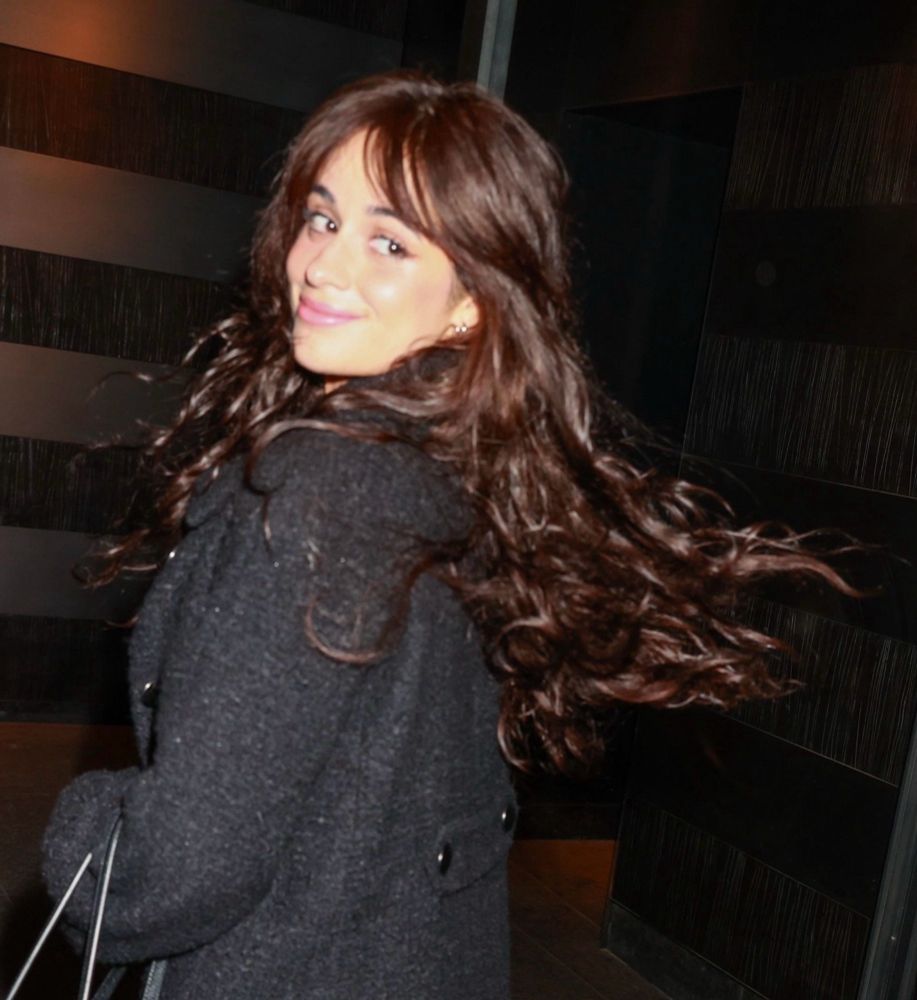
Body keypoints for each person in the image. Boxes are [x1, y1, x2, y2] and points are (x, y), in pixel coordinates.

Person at [40, 70, 846, 999]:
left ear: (472, 298)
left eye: (389, 242)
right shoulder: (470, 466)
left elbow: (177, 869)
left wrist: (87, 825)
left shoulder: (325, 487)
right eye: (321, 218)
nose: (324, 266)